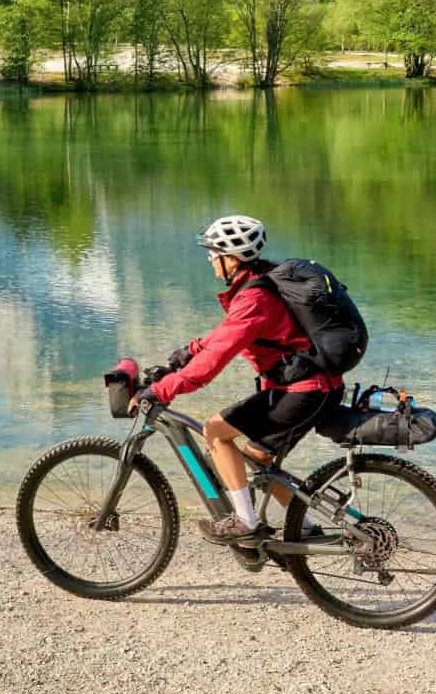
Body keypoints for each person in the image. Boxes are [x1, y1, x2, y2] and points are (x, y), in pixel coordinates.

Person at [136, 215, 343, 544]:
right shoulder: (259, 283)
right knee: (258, 461)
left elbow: (214, 362)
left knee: (217, 432)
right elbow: (226, 335)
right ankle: (300, 525)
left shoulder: (253, 298)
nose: (209, 259)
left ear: (231, 258)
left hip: (303, 391)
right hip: (311, 386)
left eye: (213, 252)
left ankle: (246, 523)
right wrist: (187, 352)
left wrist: (162, 390)